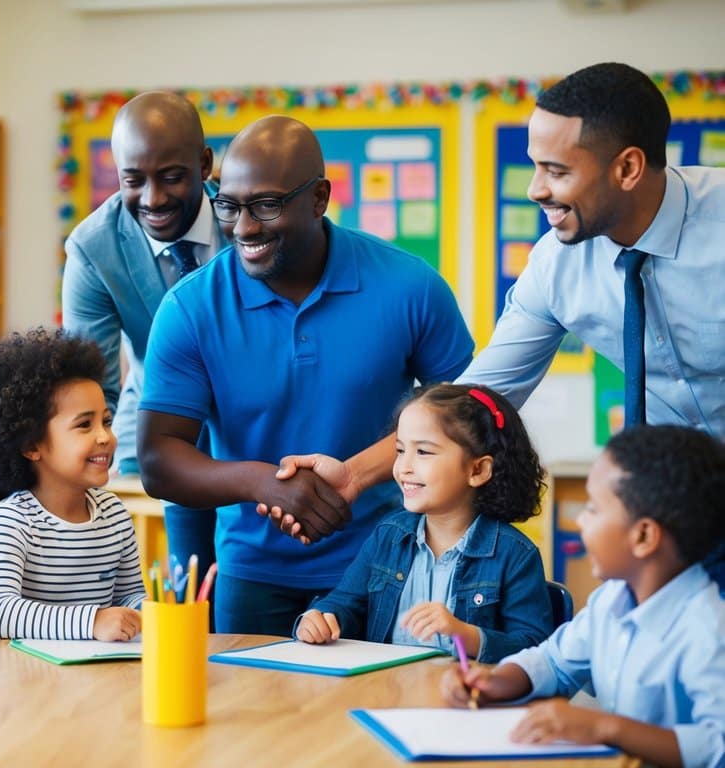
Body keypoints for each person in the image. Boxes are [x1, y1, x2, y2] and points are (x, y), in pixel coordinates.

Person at [269, 62, 725, 586]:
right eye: (534, 167)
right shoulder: (557, 264)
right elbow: (476, 398)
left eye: (556, 171)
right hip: (677, 508)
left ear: (627, 168)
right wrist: (352, 475)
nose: (535, 189)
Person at [137, 115, 474, 635]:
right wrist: (262, 484)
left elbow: (470, 417)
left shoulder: (411, 287)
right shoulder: (190, 308)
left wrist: (355, 476)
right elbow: (159, 459)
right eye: (229, 206)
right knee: (252, 717)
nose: (244, 228)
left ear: (319, 198)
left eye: (266, 205)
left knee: (373, 711)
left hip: (388, 566)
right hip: (250, 576)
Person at [441, 425, 725, 768]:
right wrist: (495, 681)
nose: (581, 523)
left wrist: (606, 727)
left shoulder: (708, 629)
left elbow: (717, 745)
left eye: (592, 508)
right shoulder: (610, 601)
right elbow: (553, 662)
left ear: (644, 536)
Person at [62, 91, 223, 584]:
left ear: (204, 164)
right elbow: (88, 381)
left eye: (171, 177)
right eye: (134, 180)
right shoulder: (94, 249)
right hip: (163, 423)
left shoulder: (248, 215)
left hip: (260, 421)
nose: (152, 199)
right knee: (193, 586)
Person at [296, 384, 551, 663]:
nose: (404, 466)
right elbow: (344, 603)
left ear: (477, 470)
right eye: (400, 450)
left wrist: (466, 635)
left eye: (423, 452)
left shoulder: (515, 554)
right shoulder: (388, 536)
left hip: (465, 700)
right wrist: (319, 618)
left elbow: (534, 650)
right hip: (387, 693)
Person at [0, 329, 144, 641]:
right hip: (29, 682)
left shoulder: (114, 514)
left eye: (107, 421)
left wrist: (146, 610)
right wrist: (93, 621)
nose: (104, 437)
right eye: (84, 425)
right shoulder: (12, 521)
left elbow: (129, 596)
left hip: (102, 681)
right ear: (32, 445)